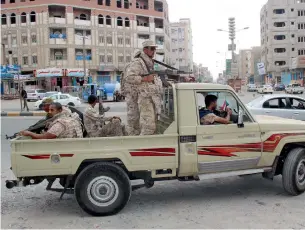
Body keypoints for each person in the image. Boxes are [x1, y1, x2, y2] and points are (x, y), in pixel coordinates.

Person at [124, 40, 162, 136]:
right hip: (144, 98)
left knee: (151, 126)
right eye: (152, 49)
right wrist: (144, 78)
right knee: (148, 127)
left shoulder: (149, 62)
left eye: (154, 49)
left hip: (152, 98)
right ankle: (142, 147)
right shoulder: (138, 62)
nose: (154, 51)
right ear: (145, 50)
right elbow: (129, 77)